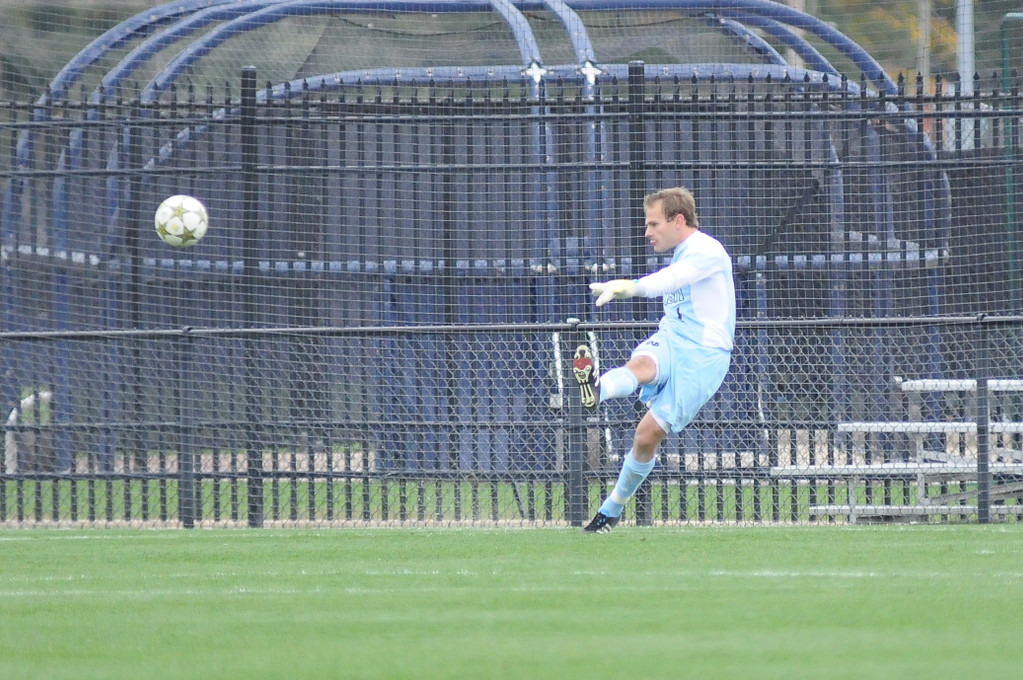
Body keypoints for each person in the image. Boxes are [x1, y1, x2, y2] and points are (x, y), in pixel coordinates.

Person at [573, 187, 736, 533]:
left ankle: (611, 509)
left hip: (704, 356)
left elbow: (670, 280)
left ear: (678, 221)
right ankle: (597, 390)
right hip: (673, 336)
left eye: (653, 224)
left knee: (645, 437)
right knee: (642, 365)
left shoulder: (707, 250)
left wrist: (631, 287)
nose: (647, 232)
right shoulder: (681, 252)